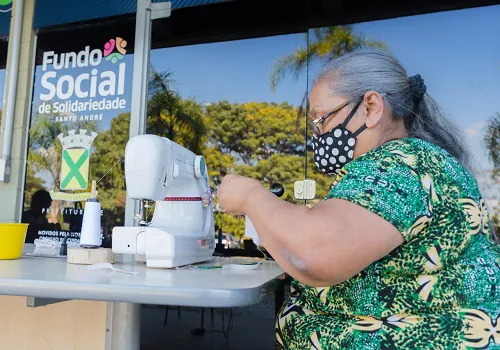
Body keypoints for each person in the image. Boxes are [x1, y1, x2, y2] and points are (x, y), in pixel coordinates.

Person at [218, 48, 500, 349]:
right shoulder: (394, 166)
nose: (319, 133)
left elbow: (314, 252)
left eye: (321, 119)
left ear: (371, 108)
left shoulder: (403, 164)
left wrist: (250, 196)